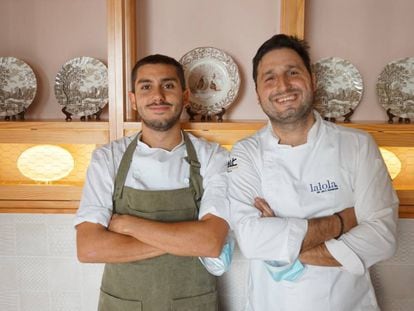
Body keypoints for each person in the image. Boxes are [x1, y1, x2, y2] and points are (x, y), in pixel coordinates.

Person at [228, 34, 398, 311]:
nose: (283, 85)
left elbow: (382, 237)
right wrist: (343, 221)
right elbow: (252, 240)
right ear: (258, 95)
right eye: (269, 77)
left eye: (293, 72)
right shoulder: (244, 153)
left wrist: (283, 244)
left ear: (313, 80)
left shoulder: (357, 145)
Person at [75, 54, 230, 310]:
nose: (158, 96)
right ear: (133, 99)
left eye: (168, 85)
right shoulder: (107, 158)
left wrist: (128, 224)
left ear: (185, 95)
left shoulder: (214, 157)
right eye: (146, 87)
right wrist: (184, 239)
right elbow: (89, 248)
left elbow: (210, 243)